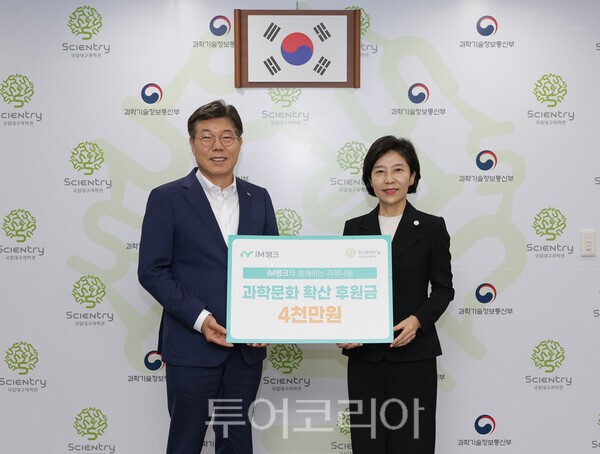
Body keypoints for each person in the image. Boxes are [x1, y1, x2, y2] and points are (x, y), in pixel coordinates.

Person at [138, 99, 278, 453]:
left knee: (237, 442)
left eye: (227, 137)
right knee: (185, 443)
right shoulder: (167, 198)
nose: (218, 146)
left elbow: (272, 269)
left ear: (240, 143)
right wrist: (201, 319)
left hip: (245, 353)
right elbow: (152, 270)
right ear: (192, 143)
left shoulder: (259, 199)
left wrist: (266, 322)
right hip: (191, 347)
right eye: (207, 137)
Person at [337, 136, 454, 453]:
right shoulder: (353, 228)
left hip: (414, 355)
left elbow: (443, 289)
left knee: (413, 442)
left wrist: (417, 321)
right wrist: (341, 328)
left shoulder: (431, 227)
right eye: (379, 171)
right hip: (365, 358)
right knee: (368, 443)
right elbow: (344, 290)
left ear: (412, 176)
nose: (389, 179)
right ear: (369, 179)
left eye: (398, 170)